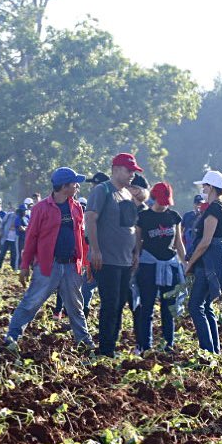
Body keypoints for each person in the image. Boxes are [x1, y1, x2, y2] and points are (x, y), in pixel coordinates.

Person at [5, 167, 93, 348]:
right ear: (63, 186)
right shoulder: (41, 208)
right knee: (31, 303)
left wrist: (86, 263)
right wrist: (24, 265)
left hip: (71, 265)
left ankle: (84, 341)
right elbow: (31, 238)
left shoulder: (76, 207)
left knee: (76, 307)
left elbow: (81, 237)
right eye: (74, 183)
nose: (77, 186)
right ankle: (12, 338)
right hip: (48, 265)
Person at [87, 153, 147, 357]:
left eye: (134, 171)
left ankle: (110, 347)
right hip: (107, 259)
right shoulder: (102, 190)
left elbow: (132, 226)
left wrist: (136, 252)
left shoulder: (128, 194)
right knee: (110, 304)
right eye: (129, 170)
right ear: (116, 169)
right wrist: (95, 249)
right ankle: (104, 350)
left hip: (125, 260)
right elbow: (91, 219)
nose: (132, 175)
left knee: (120, 304)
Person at [132, 182, 186, 352]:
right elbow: (138, 242)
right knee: (146, 306)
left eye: (166, 201)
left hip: (170, 265)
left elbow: (178, 242)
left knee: (168, 308)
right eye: (161, 200)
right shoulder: (143, 217)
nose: (164, 204)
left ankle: (168, 344)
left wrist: (185, 262)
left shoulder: (174, 216)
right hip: (148, 265)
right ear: (154, 197)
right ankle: (145, 346)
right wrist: (135, 261)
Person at [184, 171, 222, 353]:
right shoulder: (221, 207)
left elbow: (205, 242)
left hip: (208, 264)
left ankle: (207, 351)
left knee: (195, 306)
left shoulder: (213, 209)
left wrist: (189, 264)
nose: (203, 189)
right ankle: (214, 351)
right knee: (205, 305)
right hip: (215, 261)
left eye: (204, 186)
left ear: (211, 187)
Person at [0, 201, 28, 270]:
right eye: (24, 211)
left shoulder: (24, 218)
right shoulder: (13, 216)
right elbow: (20, 228)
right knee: (2, 254)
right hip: (7, 238)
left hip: (16, 239)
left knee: (15, 255)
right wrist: (1, 232)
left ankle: (15, 268)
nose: (25, 212)